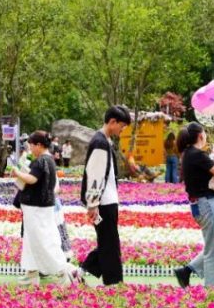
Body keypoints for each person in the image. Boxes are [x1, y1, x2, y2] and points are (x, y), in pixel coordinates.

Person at [12, 131, 81, 286]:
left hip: (36, 208)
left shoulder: (41, 161)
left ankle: (66, 271)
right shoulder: (49, 160)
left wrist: (17, 172)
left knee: (43, 241)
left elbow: (32, 179)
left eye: (31, 145)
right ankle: (31, 273)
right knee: (32, 240)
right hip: (41, 206)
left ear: (39, 145)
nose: (30, 149)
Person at [78, 105, 131, 286]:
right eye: (121, 126)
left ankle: (80, 272)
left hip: (107, 200)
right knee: (110, 245)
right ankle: (114, 283)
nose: (122, 130)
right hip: (104, 202)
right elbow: (95, 175)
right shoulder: (100, 142)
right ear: (112, 122)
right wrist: (93, 204)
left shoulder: (104, 141)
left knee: (108, 243)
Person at [174, 122, 214, 288]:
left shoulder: (188, 154)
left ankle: (188, 270)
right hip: (207, 204)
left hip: (200, 204)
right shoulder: (198, 155)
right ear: (200, 136)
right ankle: (212, 290)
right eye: (205, 133)